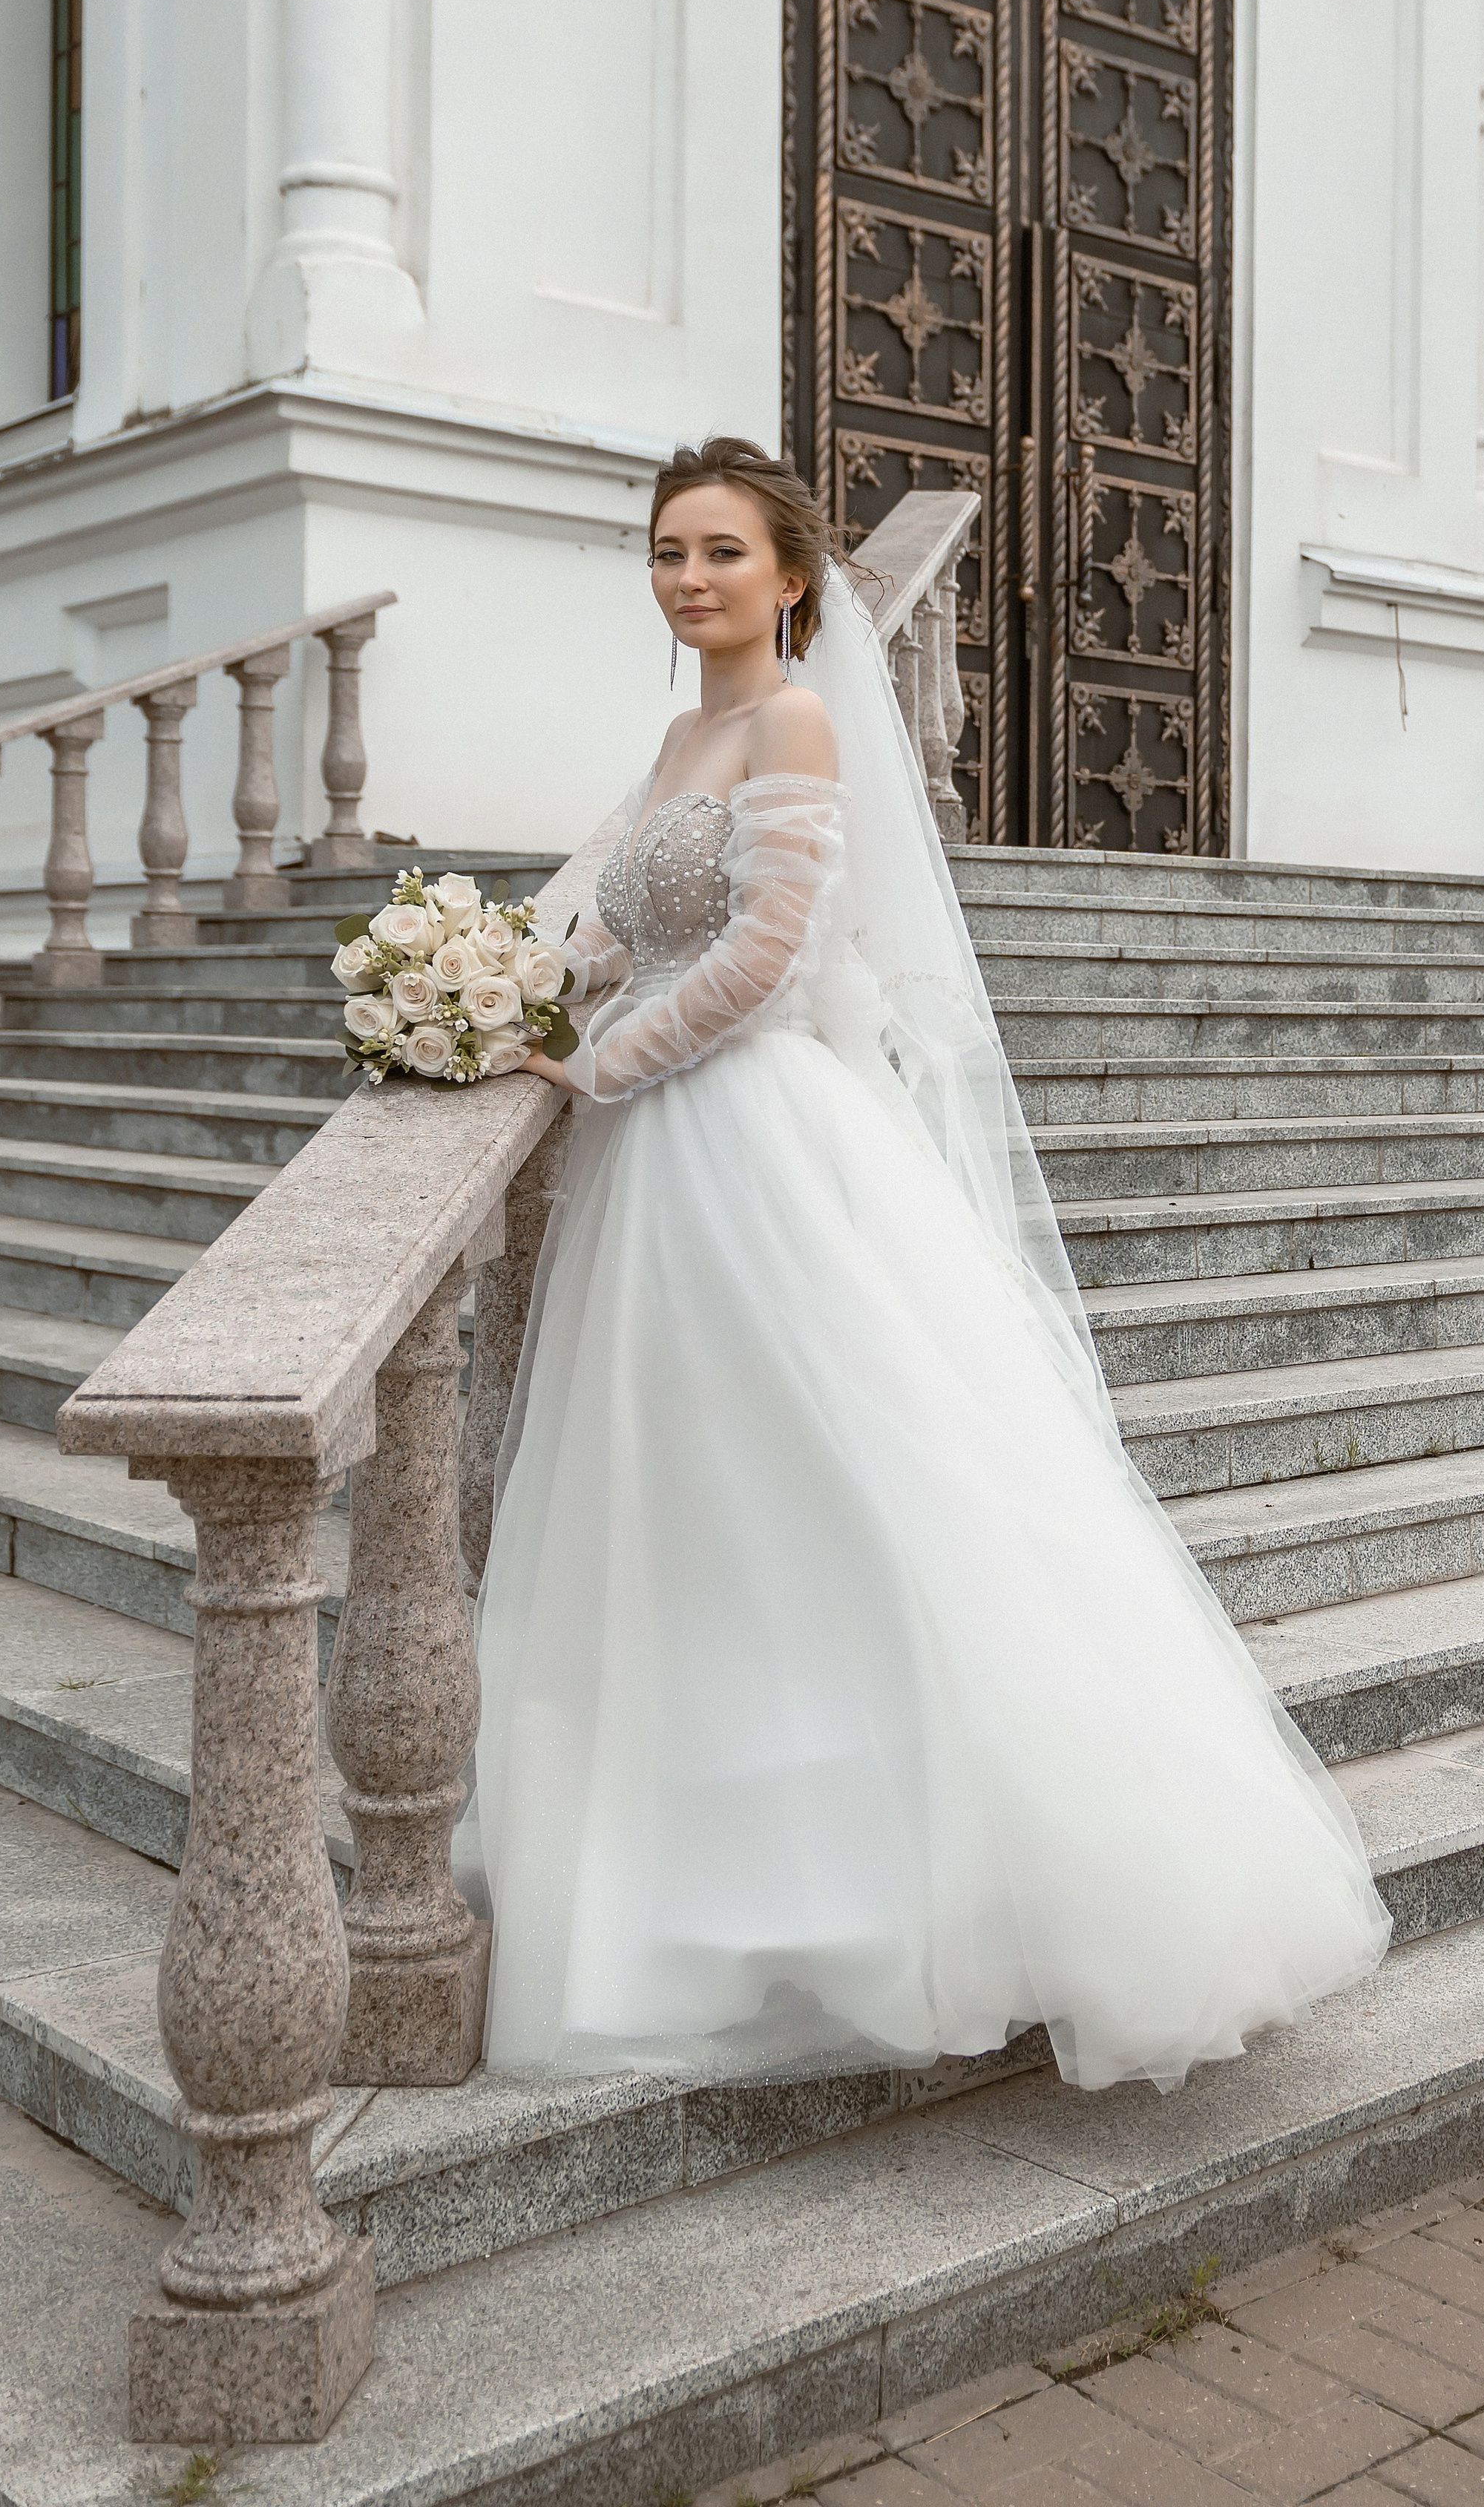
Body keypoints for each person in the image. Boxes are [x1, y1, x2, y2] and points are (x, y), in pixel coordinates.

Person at [453, 436, 1390, 2091]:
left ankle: (979, 1886)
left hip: (746, 1141)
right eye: (668, 551)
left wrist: (591, 1069)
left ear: (792, 576)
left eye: (721, 552)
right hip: (658, 1171)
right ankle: (715, 1872)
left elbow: (762, 954)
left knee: (845, 1492)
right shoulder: (683, 731)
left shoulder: (797, 718)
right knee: (693, 1514)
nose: (687, 579)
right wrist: (496, 990)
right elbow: (626, 920)